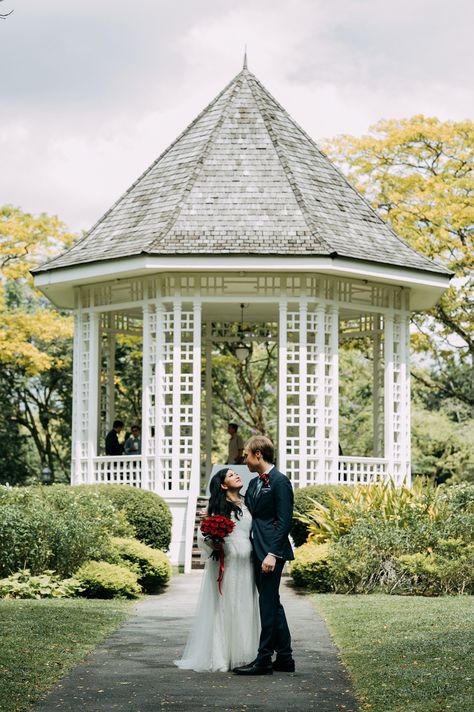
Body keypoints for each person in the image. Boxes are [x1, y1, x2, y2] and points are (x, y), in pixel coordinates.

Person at [175, 468, 260, 672]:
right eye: (231, 475)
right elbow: (202, 535)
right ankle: (221, 656)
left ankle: (245, 654)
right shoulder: (215, 508)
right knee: (225, 605)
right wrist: (212, 543)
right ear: (223, 485)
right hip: (227, 563)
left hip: (247, 563)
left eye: (235, 474)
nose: (237, 476)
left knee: (245, 606)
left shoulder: (248, 501)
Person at [233, 435, 295, 676]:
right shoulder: (256, 483)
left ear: (258, 454)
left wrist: (272, 554)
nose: (244, 459)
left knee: (267, 604)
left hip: (271, 552)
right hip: (257, 549)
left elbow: (284, 521)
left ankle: (264, 659)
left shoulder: (280, 482)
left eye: (246, 454)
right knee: (272, 603)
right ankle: (285, 658)